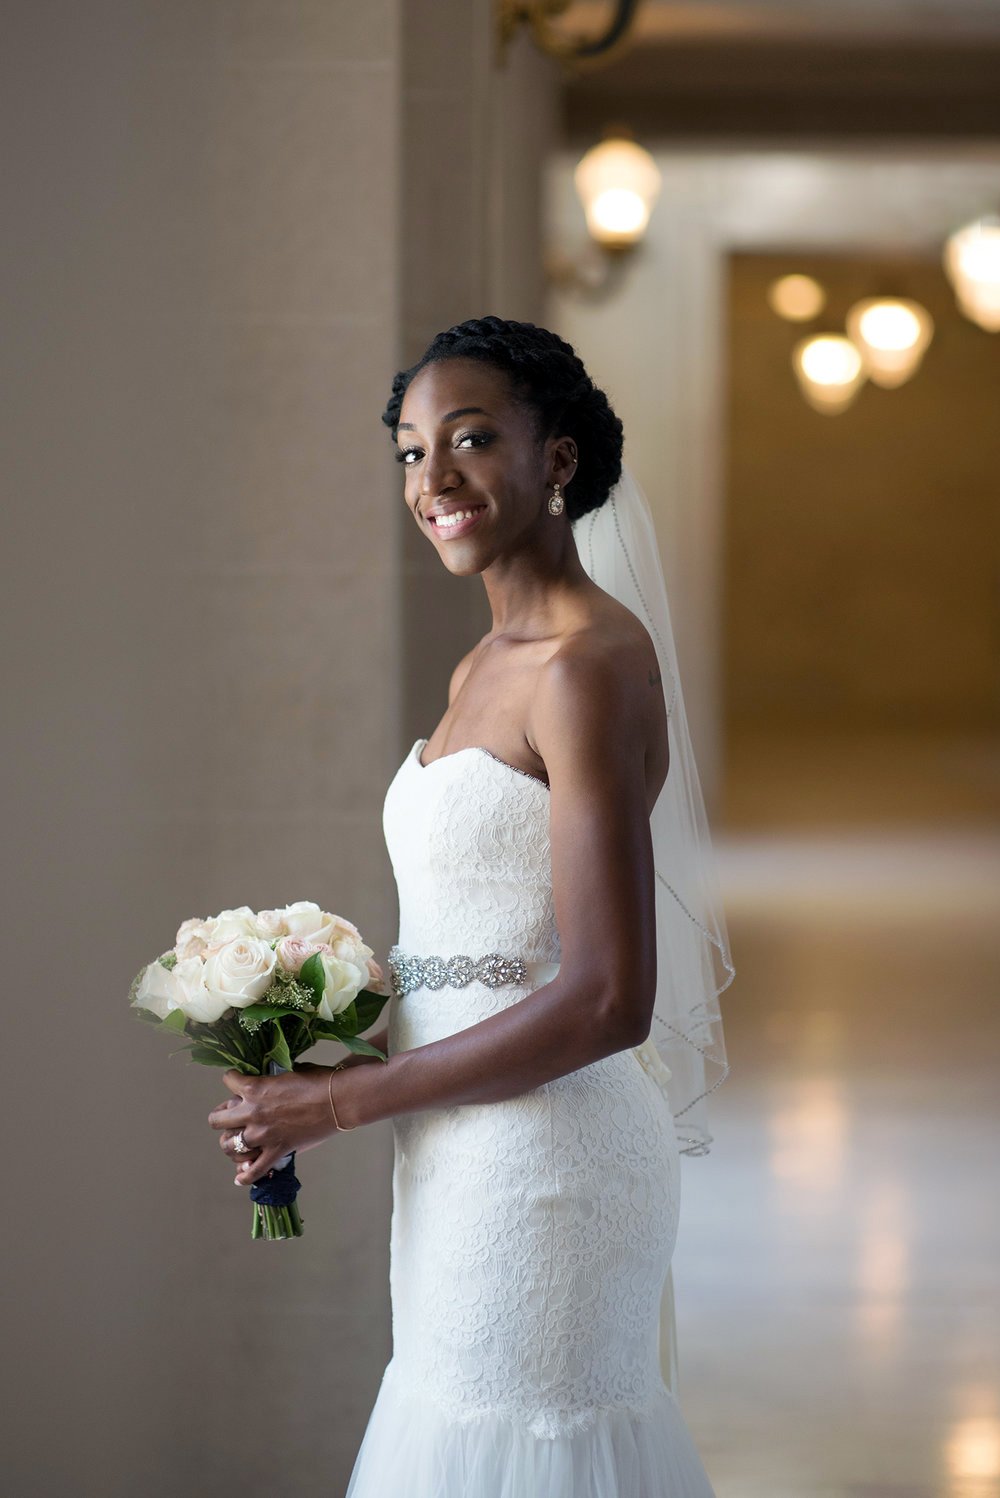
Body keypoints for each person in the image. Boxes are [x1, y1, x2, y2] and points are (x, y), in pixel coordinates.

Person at [209, 315, 731, 1496]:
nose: (432, 479)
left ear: (556, 459)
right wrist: (302, 1043)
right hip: (454, 1150)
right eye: (407, 451)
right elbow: (481, 944)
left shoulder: (587, 665)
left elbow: (605, 998)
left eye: (470, 439)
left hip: (548, 1167)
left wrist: (341, 1104)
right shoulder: (481, 665)